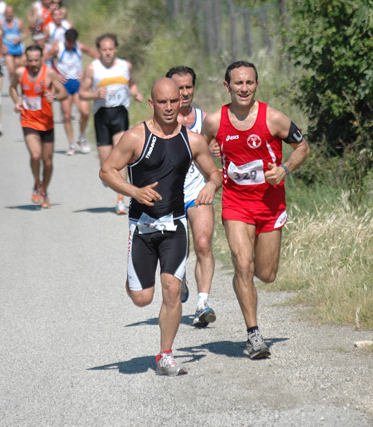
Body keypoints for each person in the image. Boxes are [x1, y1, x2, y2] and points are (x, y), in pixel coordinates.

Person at [99, 78, 222, 376]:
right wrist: (134, 191)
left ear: (180, 102)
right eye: (162, 102)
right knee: (142, 299)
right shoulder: (135, 137)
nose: (168, 107)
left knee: (171, 290)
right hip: (141, 226)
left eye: (173, 101)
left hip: (175, 226)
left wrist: (210, 186)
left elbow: (214, 172)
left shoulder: (192, 140)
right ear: (151, 103)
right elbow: (106, 170)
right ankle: (134, 278)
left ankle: (165, 355)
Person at [202, 60, 310, 360]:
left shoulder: (273, 118)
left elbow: (303, 147)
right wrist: (212, 163)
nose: (244, 88)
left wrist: (284, 169)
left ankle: (245, 284)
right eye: (238, 83)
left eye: (249, 83)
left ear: (256, 85)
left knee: (267, 273)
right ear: (227, 86)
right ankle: (254, 335)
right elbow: (199, 148)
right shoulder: (214, 121)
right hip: (236, 204)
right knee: (243, 264)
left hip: (269, 204)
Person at [166, 66, 217, 327]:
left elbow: (222, 151)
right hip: (169, 196)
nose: (184, 93)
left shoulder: (206, 120)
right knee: (179, 252)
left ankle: (202, 304)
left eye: (188, 87)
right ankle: (182, 275)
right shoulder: (160, 121)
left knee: (203, 242)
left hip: (198, 191)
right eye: (179, 88)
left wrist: (218, 150)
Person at [79, 33, 143, 214]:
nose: (107, 53)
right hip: (102, 116)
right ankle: (109, 179)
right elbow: (82, 93)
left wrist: (136, 93)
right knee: (106, 162)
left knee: (120, 159)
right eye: (104, 50)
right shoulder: (93, 68)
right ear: (99, 50)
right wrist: (94, 95)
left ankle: (121, 199)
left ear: (115, 49)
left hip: (120, 113)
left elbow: (131, 83)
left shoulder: (125, 66)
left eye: (110, 49)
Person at [10, 45, 68, 209]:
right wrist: (17, 101)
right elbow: (12, 88)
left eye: (37, 60)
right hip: (28, 120)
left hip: (47, 122)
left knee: (47, 162)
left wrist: (54, 96)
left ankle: (44, 191)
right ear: (26, 60)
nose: (33, 63)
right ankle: (37, 183)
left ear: (42, 59)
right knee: (36, 155)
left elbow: (63, 93)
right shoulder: (21, 73)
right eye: (30, 60)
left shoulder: (49, 72)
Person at [50, 28, 98, 155]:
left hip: (78, 83)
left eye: (73, 42)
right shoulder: (57, 48)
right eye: (69, 42)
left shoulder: (80, 47)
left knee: (85, 112)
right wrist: (55, 74)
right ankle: (71, 145)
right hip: (64, 84)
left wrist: (86, 71)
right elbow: (44, 60)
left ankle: (81, 137)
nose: (71, 45)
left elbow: (96, 56)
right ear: (65, 40)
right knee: (66, 116)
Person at [0, 5, 27, 81]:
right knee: (11, 71)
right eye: (7, 12)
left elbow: (26, 32)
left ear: (13, 13)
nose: (9, 14)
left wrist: (20, 38)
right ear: (5, 13)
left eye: (10, 12)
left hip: (18, 49)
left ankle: (18, 86)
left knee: (17, 70)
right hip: (8, 50)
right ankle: (12, 89)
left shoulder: (18, 22)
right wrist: (2, 46)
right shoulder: (2, 23)